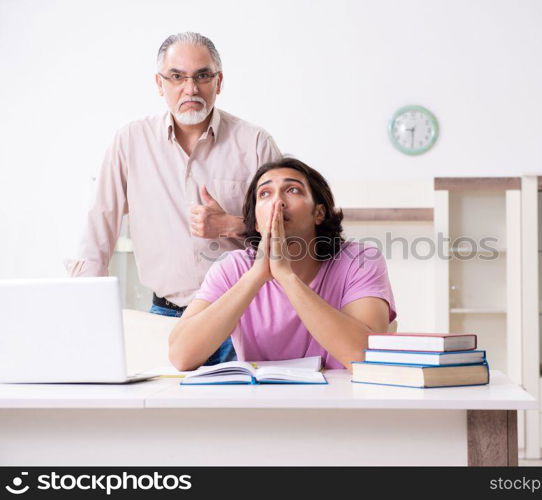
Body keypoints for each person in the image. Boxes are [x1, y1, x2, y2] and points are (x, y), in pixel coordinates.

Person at [65, 32, 281, 364]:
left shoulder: (254, 143)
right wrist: (86, 316)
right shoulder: (130, 141)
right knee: (157, 414)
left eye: (202, 76)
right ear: (159, 83)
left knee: (241, 414)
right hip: (163, 320)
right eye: (177, 77)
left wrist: (233, 225)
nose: (190, 88)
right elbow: (99, 228)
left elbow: (289, 234)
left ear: (218, 82)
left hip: (241, 319)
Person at [168, 158, 397, 371]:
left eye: (293, 190)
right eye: (265, 193)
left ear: (319, 213)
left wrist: (287, 277)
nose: (278, 201)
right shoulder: (233, 268)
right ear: (256, 222)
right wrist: (256, 276)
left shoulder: (359, 260)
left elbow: (366, 357)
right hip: (263, 408)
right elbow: (181, 356)